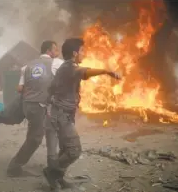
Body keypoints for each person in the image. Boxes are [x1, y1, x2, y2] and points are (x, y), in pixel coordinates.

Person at [44, 38, 121, 191]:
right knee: (74, 150)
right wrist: (107, 71)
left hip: (62, 114)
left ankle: (58, 178)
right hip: (62, 115)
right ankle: (51, 173)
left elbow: (51, 88)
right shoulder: (69, 67)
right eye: (82, 51)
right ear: (75, 53)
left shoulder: (64, 69)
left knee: (66, 150)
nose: (84, 53)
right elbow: (84, 72)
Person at [7, 40, 60, 177]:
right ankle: (14, 167)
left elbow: (20, 88)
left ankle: (52, 164)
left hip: (27, 106)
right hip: (39, 106)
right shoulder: (55, 63)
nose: (58, 52)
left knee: (40, 133)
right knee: (35, 138)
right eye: (56, 49)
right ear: (49, 51)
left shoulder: (27, 66)